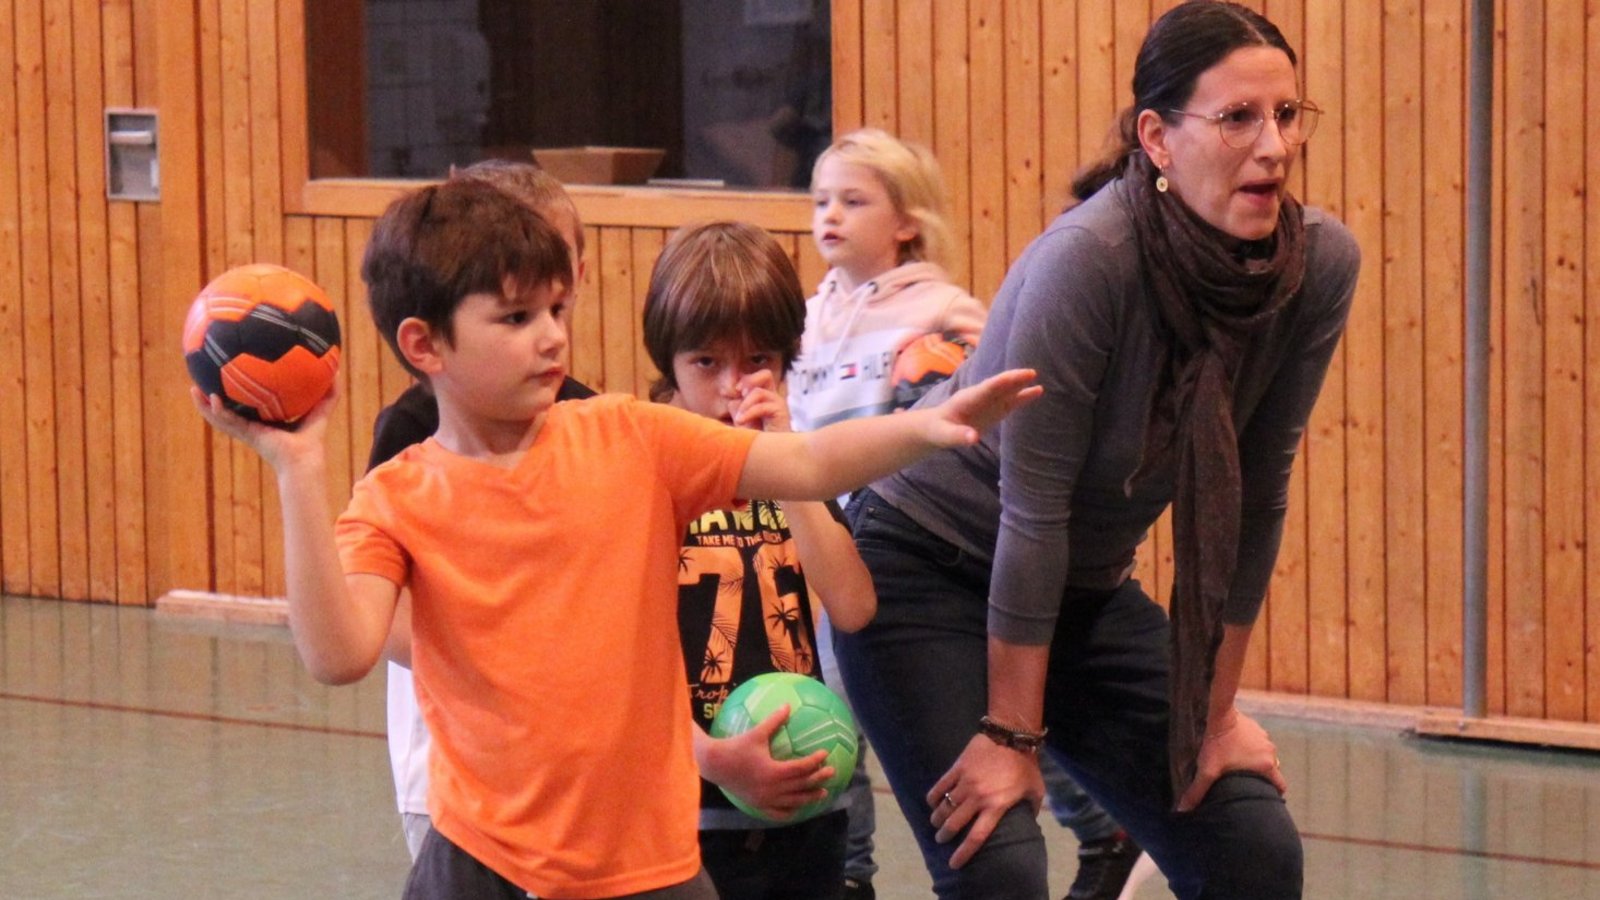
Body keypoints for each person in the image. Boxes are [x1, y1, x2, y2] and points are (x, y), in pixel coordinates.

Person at [190, 177, 1040, 899]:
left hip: (649, 870)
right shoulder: (394, 498)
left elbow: (812, 460)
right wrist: (296, 467)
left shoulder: (632, 436)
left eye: (557, 308)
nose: (553, 335)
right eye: (516, 317)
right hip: (484, 863)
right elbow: (337, 653)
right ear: (425, 344)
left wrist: (930, 426)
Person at [831, 3, 1360, 899]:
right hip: (923, 564)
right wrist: (1008, 735)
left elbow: (1258, 496)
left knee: (1252, 847)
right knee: (997, 861)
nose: (1272, 146)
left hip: (1078, 585)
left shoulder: (1316, 267)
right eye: (1237, 118)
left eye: (1285, 115)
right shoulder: (1088, 260)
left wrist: (1214, 713)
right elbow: (1031, 513)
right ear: (1157, 136)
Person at [792, 127, 1144, 900]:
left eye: (854, 201)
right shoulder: (812, 319)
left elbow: (992, 410)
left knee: (1003, 713)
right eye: (822, 200)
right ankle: (849, 873)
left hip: (917, 543)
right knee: (829, 710)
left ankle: (1102, 830)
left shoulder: (945, 315)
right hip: (828, 540)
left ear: (907, 221)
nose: (831, 216)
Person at [364, 160, 595, 861]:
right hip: (451, 763)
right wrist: (497, 664)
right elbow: (383, 618)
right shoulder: (412, 432)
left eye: (552, 288)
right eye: (513, 300)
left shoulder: (586, 413)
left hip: (562, 765)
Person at [642, 220, 876, 899]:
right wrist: (710, 756)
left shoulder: (793, 469)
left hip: (804, 813)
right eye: (706, 364)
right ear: (670, 362)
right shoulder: (646, 474)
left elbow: (855, 606)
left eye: (756, 362)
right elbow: (616, 669)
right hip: (683, 818)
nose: (732, 387)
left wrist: (785, 459)